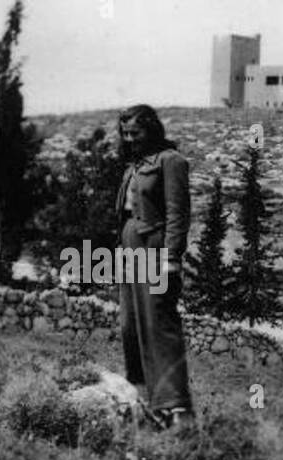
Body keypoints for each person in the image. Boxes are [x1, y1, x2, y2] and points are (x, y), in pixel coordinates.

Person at [115, 104, 196, 431]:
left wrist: (171, 259)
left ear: (152, 130)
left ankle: (176, 408)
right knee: (129, 325)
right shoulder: (133, 166)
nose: (131, 139)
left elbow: (178, 214)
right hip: (130, 252)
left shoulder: (170, 161)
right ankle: (145, 399)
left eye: (137, 133)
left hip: (155, 249)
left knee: (158, 324)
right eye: (126, 134)